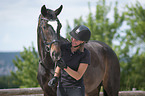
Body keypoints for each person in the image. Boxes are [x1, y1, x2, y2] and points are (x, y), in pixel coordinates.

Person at [48, 25, 91, 96]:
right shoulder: (64, 48)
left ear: (82, 42)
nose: (73, 40)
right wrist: (55, 77)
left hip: (76, 89)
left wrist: (65, 67)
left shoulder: (85, 54)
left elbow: (78, 76)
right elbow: (59, 64)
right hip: (62, 88)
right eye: (72, 37)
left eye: (76, 39)